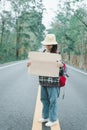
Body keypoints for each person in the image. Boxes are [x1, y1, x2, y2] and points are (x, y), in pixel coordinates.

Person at [27, 34, 63, 127]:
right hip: (43, 81)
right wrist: (30, 64)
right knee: (44, 99)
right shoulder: (41, 53)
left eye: (50, 44)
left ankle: (53, 119)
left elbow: (62, 70)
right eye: (47, 44)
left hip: (53, 82)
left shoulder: (57, 55)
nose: (48, 46)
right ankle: (45, 116)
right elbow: (36, 65)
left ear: (54, 45)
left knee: (53, 101)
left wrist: (61, 66)